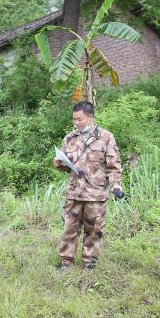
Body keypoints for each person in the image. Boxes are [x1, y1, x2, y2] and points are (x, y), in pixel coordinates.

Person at [53, 101, 125, 270]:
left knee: (93, 231)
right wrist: (59, 163)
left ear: (90, 117)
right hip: (74, 193)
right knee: (69, 230)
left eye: (80, 119)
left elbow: (113, 165)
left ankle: (89, 264)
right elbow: (65, 166)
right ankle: (65, 262)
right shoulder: (69, 138)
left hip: (96, 194)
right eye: (74, 120)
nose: (76, 123)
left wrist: (116, 186)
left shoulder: (106, 137)